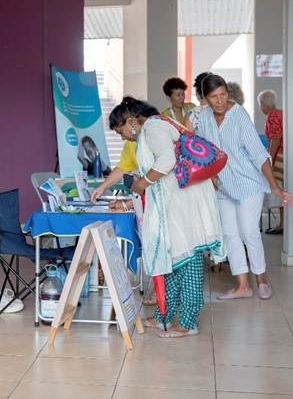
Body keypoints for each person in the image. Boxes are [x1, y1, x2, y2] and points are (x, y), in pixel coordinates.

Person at [109, 97, 225, 337]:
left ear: (130, 121)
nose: (123, 138)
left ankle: (188, 322)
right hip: (174, 204)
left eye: (121, 132)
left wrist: (141, 183)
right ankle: (164, 313)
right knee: (171, 260)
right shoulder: (154, 127)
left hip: (184, 205)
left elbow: (167, 161)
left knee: (188, 260)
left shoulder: (153, 127)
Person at [196, 74, 291, 300]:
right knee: (230, 234)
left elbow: (259, 154)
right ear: (205, 99)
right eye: (214, 97)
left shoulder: (239, 116)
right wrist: (209, 175)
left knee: (249, 231)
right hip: (223, 186)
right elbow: (202, 149)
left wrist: (276, 188)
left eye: (223, 95)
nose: (220, 101)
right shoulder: (204, 117)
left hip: (248, 184)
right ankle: (242, 285)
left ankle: (261, 280)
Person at [258, 89, 285, 234]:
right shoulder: (281, 113)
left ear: (263, 104)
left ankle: (282, 224)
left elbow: (275, 139)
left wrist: (270, 160)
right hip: (286, 154)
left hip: (280, 155)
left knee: (279, 188)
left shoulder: (272, 116)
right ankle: (283, 222)